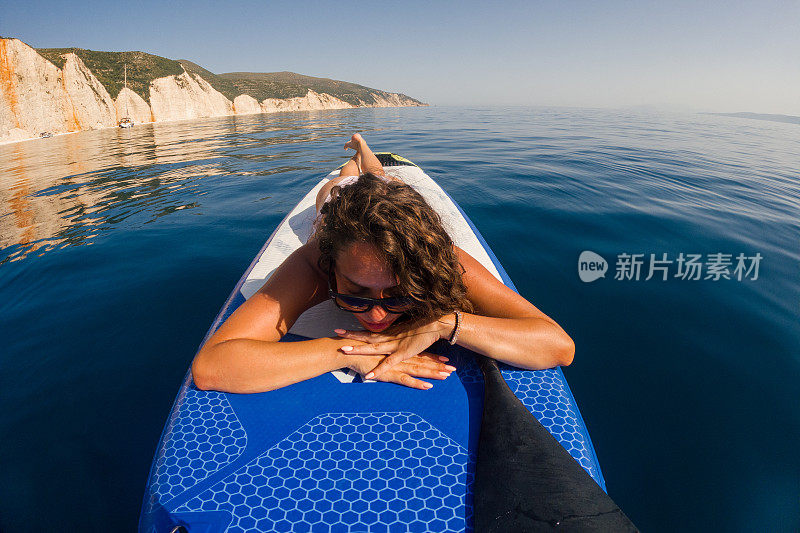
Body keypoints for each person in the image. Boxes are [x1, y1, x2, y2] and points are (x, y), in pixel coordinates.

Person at [191, 134, 574, 393]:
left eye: (398, 296)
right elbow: (212, 365)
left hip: (388, 196)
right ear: (333, 269)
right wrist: (350, 353)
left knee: (379, 177)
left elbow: (558, 346)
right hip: (334, 211)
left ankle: (363, 146)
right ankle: (350, 162)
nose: (376, 316)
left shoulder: (440, 259)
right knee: (338, 185)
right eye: (356, 295)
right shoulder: (315, 262)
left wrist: (443, 322)